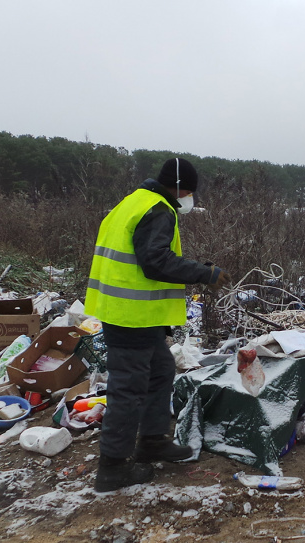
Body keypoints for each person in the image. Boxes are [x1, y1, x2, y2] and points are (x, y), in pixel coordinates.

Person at [84, 157, 231, 492]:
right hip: (130, 316)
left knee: (162, 369)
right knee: (129, 389)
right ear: (181, 188)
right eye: (191, 191)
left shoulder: (134, 202)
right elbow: (156, 262)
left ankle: (152, 442)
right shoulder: (158, 209)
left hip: (133, 314)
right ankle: (112, 468)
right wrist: (204, 273)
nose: (191, 198)